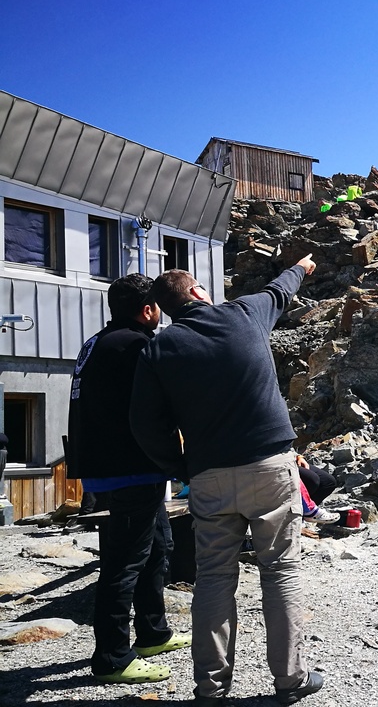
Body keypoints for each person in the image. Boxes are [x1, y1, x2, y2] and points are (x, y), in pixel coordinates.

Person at [130, 257, 324, 707]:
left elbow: (144, 423)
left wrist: (179, 468)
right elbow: (280, 289)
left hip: (209, 476)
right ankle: (291, 680)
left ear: (164, 309)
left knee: (215, 578)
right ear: (197, 293)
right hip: (270, 467)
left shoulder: (159, 350)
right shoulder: (243, 314)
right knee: (280, 570)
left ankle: (210, 690)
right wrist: (301, 265)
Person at [66, 274, 190, 684]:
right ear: (149, 309)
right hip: (129, 467)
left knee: (158, 546)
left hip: (108, 465)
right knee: (124, 562)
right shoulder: (137, 344)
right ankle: (112, 657)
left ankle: (153, 633)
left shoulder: (98, 342)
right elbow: (163, 399)